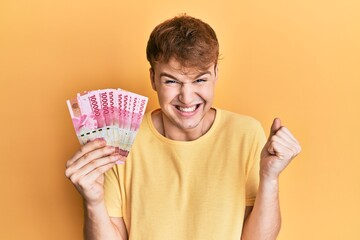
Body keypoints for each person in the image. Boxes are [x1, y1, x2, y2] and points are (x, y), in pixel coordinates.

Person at [65, 14, 301, 240]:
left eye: (199, 80)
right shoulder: (121, 142)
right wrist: (93, 202)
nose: (187, 98)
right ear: (153, 79)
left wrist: (270, 178)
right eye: (171, 81)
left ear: (216, 74)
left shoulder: (246, 134)